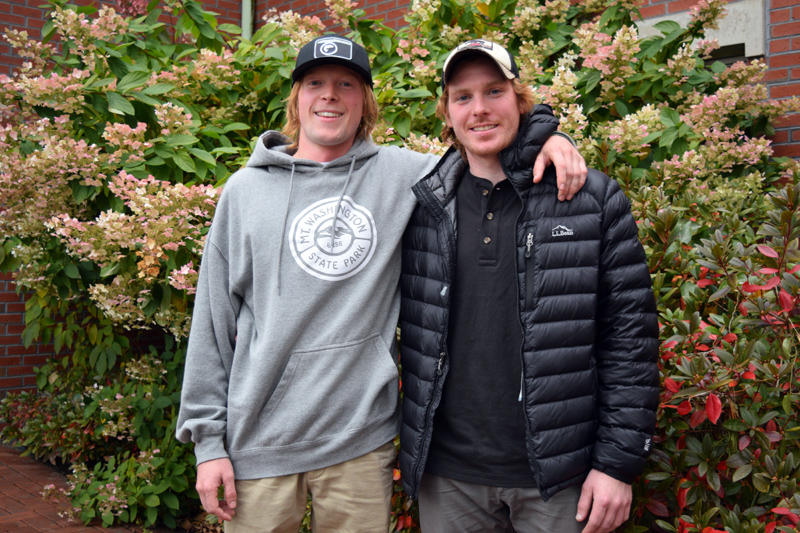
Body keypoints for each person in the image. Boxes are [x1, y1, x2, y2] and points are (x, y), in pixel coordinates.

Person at [176, 34, 586, 533]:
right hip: (258, 441)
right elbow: (212, 322)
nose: (329, 95)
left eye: (346, 84)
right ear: (297, 97)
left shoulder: (408, 175)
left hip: (359, 442)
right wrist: (208, 444)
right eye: (315, 83)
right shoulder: (245, 191)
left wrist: (549, 135)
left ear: (365, 101)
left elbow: (484, 137)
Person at [398, 39, 660, 533]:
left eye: (494, 91)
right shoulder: (419, 204)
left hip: (560, 477)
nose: (479, 109)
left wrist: (617, 464)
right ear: (447, 113)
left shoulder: (588, 198)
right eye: (462, 96)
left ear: (520, 100)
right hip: (448, 477)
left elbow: (631, 340)